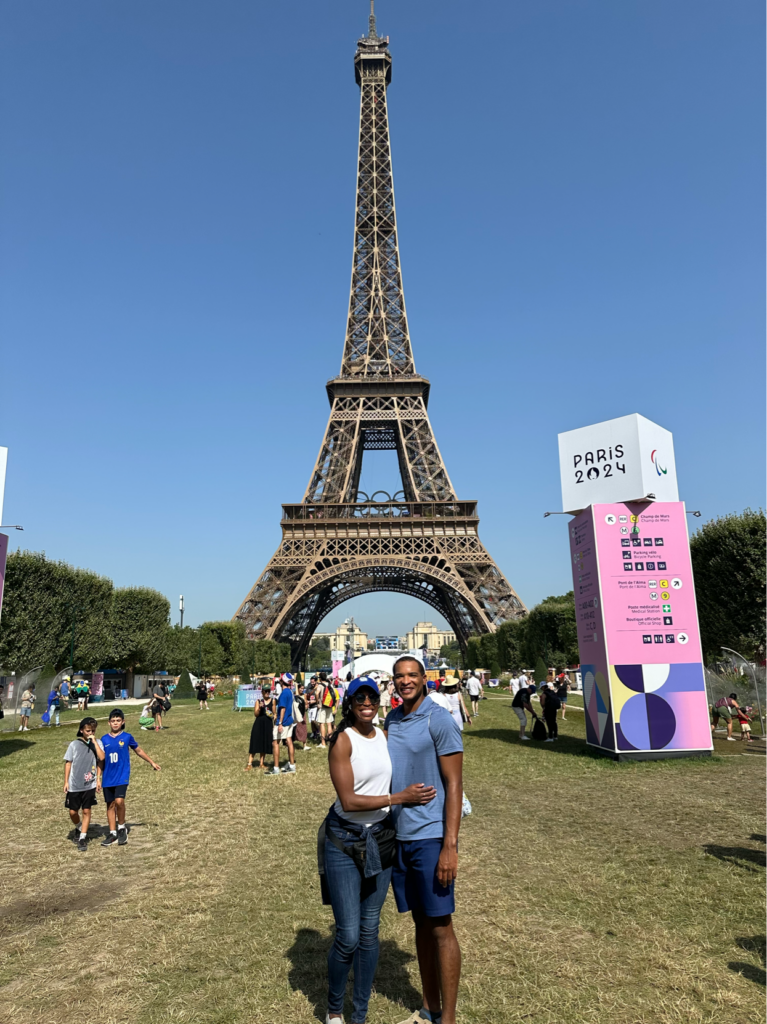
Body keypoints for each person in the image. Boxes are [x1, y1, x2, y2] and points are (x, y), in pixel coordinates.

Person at [322, 675, 436, 1024]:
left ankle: (359, 1015)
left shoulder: (385, 736)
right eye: (360, 698)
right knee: (349, 936)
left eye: (371, 696)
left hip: (381, 839)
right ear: (350, 703)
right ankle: (334, 1010)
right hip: (345, 841)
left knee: (370, 932)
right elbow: (349, 800)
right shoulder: (343, 740)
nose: (367, 703)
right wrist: (399, 798)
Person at [385, 657, 464, 1024]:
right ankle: (429, 1007)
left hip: (431, 836)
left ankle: (447, 1018)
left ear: (425, 679)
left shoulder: (439, 719)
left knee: (440, 926)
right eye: (399, 677)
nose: (405, 682)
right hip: (401, 835)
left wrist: (450, 845)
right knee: (419, 923)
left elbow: (454, 784)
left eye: (412, 675)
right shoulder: (393, 719)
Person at [98, 709, 160, 847]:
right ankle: (112, 833)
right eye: (113, 721)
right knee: (110, 804)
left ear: (123, 722)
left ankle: (121, 828)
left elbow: (138, 750)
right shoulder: (103, 739)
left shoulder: (127, 737)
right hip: (108, 777)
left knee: (119, 801)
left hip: (122, 776)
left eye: (118, 720)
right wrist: (98, 777)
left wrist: (152, 762)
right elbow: (100, 760)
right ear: (109, 722)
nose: (115, 723)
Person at [63, 717, 104, 852]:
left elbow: (101, 758)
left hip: (89, 784)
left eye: (92, 730)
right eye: (87, 731)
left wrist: (98, 779)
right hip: (75, 784)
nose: (90, 733)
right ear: (81, 730)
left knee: (87, 810)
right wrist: (66, 781)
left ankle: (82, 838)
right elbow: (68, 763)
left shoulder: (97, 743)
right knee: (73, 811)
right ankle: (80, 827)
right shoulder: (74, 744)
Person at [268, 675, 296, 774]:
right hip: (289, 720)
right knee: (289, 741)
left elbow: (283, 708)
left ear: (281, 681)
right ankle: (292, 765)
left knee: (275, 743)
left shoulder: (284, 693)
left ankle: (276, 768)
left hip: (283, 721)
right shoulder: (290, 692)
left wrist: (280, 723)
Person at [246, 685, 275, 770]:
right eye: (265, 691)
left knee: (264, 743)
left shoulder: (273, 701)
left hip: (268, 724)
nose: (267, 693)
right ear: (262, 692)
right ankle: (249, 764)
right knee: (255, 742)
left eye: (268, 691)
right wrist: (259, 708)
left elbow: (274, 714)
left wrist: (275, 723)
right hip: (259, 724)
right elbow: (256, 714)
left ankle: (261, 763)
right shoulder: (258, 701)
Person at [317, 672, 338, 749]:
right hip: (329, 706)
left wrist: (318, 701)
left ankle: (323, 743)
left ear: (320, 678)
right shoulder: (330, 685)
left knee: (322, 724)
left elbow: (317, 693)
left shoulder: (320, 685)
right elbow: (335, 695)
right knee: (329, 723)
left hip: (322, 706)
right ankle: (329, 741)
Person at [295, 683, 311, 751]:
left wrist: (306, 705)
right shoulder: (296, 695)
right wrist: (296, 685)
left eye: (303, 688)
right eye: (300, 688)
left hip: (303, 713)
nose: (302, 690)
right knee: (296, 728)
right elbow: (296, 695)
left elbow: (306, 704)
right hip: (297, 714)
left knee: (304, 728)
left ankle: (304, 745)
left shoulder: (304, 695)